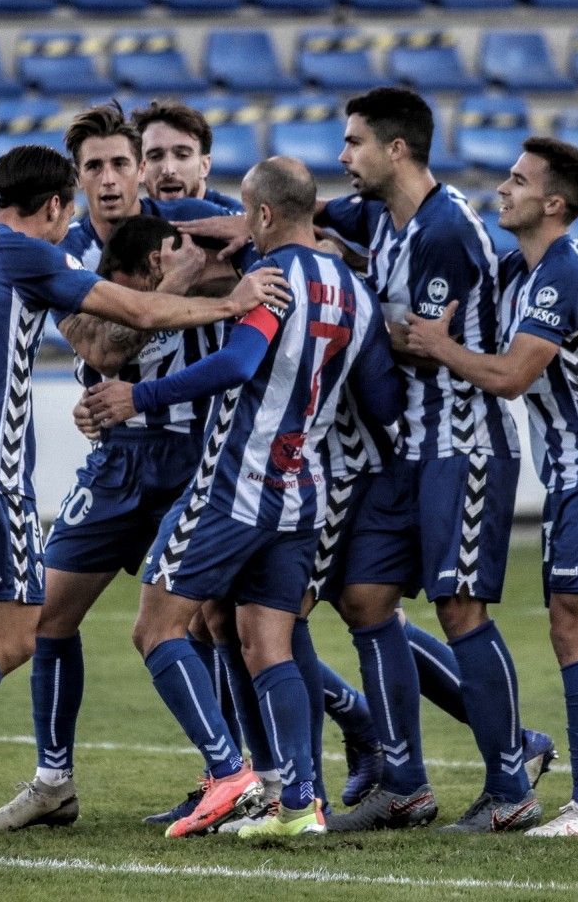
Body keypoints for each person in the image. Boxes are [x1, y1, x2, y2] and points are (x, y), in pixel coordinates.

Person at [0, 144, 288, 845]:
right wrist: (231, 301)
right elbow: (133, 310)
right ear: (53, 206)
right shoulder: (22, 251)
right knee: (14, 639)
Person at [83, 156, 402, 840]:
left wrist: (133, 395)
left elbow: (235, 363)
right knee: (266, 641)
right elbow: (382, 400)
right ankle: (300, 806)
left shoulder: (273, 281)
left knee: (156, 628)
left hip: (234, 482)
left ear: (261, 215)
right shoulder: (355, 291)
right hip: (301, 489)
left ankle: (230, 774)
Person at [0, 101, 247, 832]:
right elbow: (101, 347)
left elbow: (287, 234)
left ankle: (245, 773)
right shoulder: (58, 250)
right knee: (46, 616)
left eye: (120, 164)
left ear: (140, 168)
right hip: (122, 462)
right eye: (91, 168)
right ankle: (53, 782)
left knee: (230, 623)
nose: (108, 180)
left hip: (199, 454)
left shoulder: (201, 221)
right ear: (73, 182)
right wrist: (178, 284)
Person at [313, 86, 540, 834]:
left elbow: (414, 340)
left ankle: (511, 783)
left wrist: (344, 289)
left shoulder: (444, 232)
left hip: (464, 443)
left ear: (396, 149)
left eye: (353, 144)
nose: (343, 158)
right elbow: (292, 216)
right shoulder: (383, 215)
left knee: (458, 608)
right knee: (364, 599)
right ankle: (403, 785)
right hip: (406, 450)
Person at [405, 136, 578, 838]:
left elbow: (513, 375)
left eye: (518, 181)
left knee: (574, 624)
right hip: (572, 466)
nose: (503, 188)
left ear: (553, 203)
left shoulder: (560, 275)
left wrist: (439, 346)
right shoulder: (529, 273)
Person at [134, 99, 243, 211]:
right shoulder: (129, 222)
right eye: (155, 157)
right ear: (140, 169)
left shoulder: (240, 222)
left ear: (204, 165)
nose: (168, 170)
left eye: (182, 155)